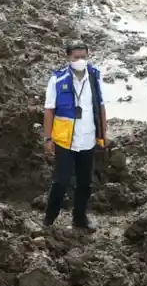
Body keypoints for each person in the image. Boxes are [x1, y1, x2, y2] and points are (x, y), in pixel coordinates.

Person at [42, 40, 106, 231]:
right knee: (61, 182)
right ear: (68, 57)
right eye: (76, 57)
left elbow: (100, 106)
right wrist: (48, 138)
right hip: (64, 140)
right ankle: (48, 220)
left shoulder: (94, 76)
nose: (80, 61)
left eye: (83, 57)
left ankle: (80, 219)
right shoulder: (57, 79)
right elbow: (49, 111)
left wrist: (103, 133)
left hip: (88, 138)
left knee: (85, 183)